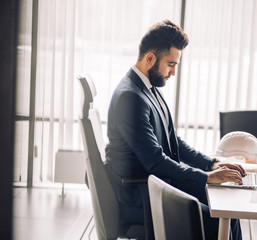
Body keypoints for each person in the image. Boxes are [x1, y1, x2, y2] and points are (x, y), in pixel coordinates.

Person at [105, 20, 245, 240]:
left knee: (229, 210)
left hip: (160, 184)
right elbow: (156, 161)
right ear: (150, 58)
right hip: (145, 196)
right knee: (221, 217)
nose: (173, 72)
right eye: (171, 64)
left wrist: (211, 164)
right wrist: (207, 178)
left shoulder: (147, 88)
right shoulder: (130, 98)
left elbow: (173, 140)